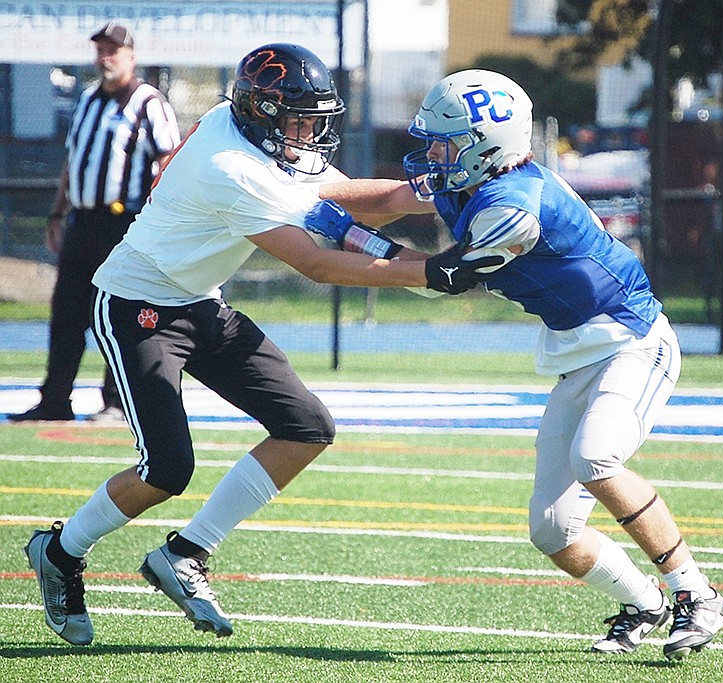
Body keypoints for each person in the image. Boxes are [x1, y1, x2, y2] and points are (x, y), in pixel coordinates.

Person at [23, 44, 501, 646]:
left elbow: (348, 196)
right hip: (137, 307)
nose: (309, 135)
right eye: (300, 120)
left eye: (314, 120)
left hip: (200, 301)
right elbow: (317, 263)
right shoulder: (231, 166)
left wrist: (437, 189)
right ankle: (61, 552)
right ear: (264, 113)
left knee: (306, 426)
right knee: (167, 469)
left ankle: (186, 553)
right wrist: (427, 272)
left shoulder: (246, 130)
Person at [310, 70, 723, 662]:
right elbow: (390, 200)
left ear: (485, 146)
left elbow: (441, 279)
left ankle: (698, 594)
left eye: (445, 141)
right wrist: (315, 196)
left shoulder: (513, 206)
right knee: (552, 529)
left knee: (596, 457)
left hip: (631, 342)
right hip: (578, 354)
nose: (433, 151)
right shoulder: (470, 180)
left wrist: (350, 238)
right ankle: (644, 602)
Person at [11, 21, 181, 424]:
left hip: (126, 224)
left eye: (113, 51)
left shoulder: (148, 103)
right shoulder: (87, 99)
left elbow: (168, 162)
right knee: (67, 312)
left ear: (131, 57)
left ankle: (116, 402)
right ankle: (54, 400)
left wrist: (160, 223)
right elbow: (74, 161)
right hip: (83, 223)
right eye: (100, 50)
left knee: (120, 312)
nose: (105, 58)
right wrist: (58, 212)